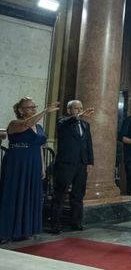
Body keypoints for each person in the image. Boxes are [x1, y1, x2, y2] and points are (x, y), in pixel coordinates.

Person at [0, 97, 59, 241]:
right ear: (21, 111)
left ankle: (26, 230)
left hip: (33, 163)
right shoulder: (15, 124)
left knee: (30, 195)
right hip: (17, 163)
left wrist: (42, 166)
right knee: (13, 194)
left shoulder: (39, 127)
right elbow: (26, 124)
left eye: (35, 106)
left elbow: (39, 146)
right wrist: (45, 111)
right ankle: (7, 231)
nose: (33, 109)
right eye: (30, 107)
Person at [50, 100, 95, 233]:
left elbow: (88, 144)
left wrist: (89, 162)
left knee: (78, 195)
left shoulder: (86, 125)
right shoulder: (62, 122)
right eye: (77, 108)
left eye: (81, 108)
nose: (80, 110)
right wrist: (79, 116)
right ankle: (55, 225)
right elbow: (67, 122)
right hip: (65, 164)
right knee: (60, 194)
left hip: (81, 164)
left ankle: (76, 222)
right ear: (69, 110)